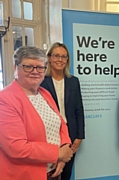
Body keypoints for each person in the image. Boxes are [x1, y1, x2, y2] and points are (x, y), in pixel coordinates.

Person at [0, 46, 73, 180]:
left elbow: (61, 123)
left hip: (53, 172)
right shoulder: (4, 99)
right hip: (25, 175)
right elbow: (16, 147)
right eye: (28, 66)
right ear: (16, 68)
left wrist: (64, 150)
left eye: (40, 67)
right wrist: (58, 153)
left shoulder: (44, 93)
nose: (35, 72)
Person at [40, 42, 85, 180]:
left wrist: (79, 136)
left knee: (66, 173)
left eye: (64, 57)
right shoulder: (41, 81)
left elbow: (79, 109)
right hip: (49, 135)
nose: (60, 60)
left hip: (70, 134)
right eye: (56, 56)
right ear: (49, 57)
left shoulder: (73, 81)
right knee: (51, 173)